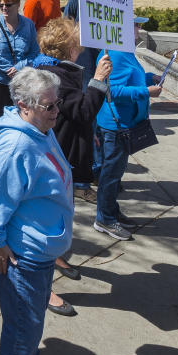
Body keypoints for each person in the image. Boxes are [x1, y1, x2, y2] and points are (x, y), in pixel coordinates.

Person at [0, 68, 73, 355]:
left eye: (57, 103)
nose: (57, 112)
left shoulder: (40, 130)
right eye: (50, 106)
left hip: (41, 253)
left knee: (28, 327)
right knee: (22, 331)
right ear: (24, 106)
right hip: (25, 258)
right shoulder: (18, 147)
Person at [33, 18, 112, 318]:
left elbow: (74, 113)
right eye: (77, 36)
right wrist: (100, 80)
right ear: (68, 46)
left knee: (60, 219)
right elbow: (82, 109)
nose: (82, 39)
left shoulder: (60, 70)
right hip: (55, 159)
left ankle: (57, 259)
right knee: (50, 223)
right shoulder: (55, 76)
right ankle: (44, 289)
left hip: (61, 155)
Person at [93, 16, 161, 241]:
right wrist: (147, 92)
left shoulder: (125, 51)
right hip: (115, 124)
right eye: (136, 25)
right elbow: (115, 92)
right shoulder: (116, 54)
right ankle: (104, 219)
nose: (140, 28)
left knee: (115, 174)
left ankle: (111, 211)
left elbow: (132, 79)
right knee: (110, 175)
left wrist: (149, 78)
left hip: (123, 123)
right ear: (122, 28)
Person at [0, 0, 40, 168]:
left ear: (17, 6)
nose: (4, 8)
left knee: (18, 116)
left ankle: (13, 153)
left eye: (8, 5)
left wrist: (20, 67)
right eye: (1, 5)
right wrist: (8, 68)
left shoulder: (28, 25)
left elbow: (34, 51)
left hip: (20, 79)